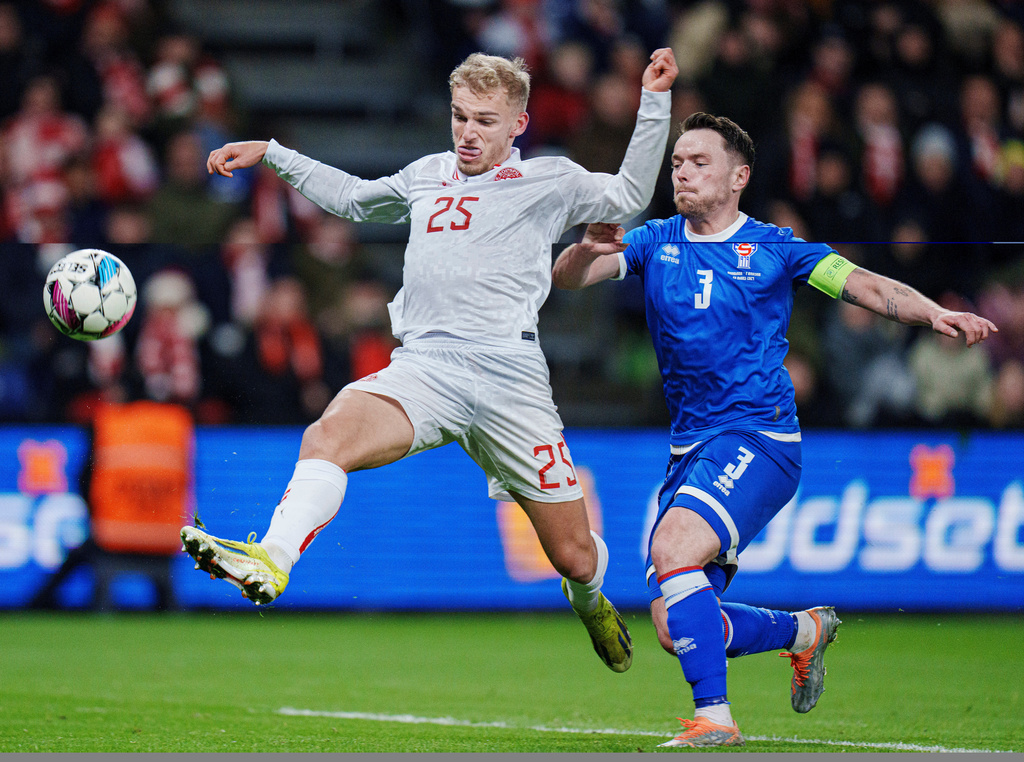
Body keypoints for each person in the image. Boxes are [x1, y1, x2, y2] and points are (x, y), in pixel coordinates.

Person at [180, 48, 679, 675]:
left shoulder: (548, 179)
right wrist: (275, 153)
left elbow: (629, 193)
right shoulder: (427, 174)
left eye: (486, 121)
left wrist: (654, 100)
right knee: (327, 434)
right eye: (460, 116)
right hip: (426, 369)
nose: (468, 133)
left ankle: (588, 603)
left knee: (574, 555)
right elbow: (358, 200)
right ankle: (272, 557)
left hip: (510, 382)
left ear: (518, 125)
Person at [552, 112, 998, 745]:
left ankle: (716, 720)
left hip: (759, 439)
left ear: (739, 176)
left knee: (672, 552)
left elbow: (862, 284)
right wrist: (581, 252)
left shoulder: (774, 246)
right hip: (690, 448)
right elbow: (571, 278)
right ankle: (804, 632)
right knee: (672, 621)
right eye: (677, 163)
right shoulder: (655, 240)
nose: (682, 172)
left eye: (699, 162)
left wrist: (931, 313)